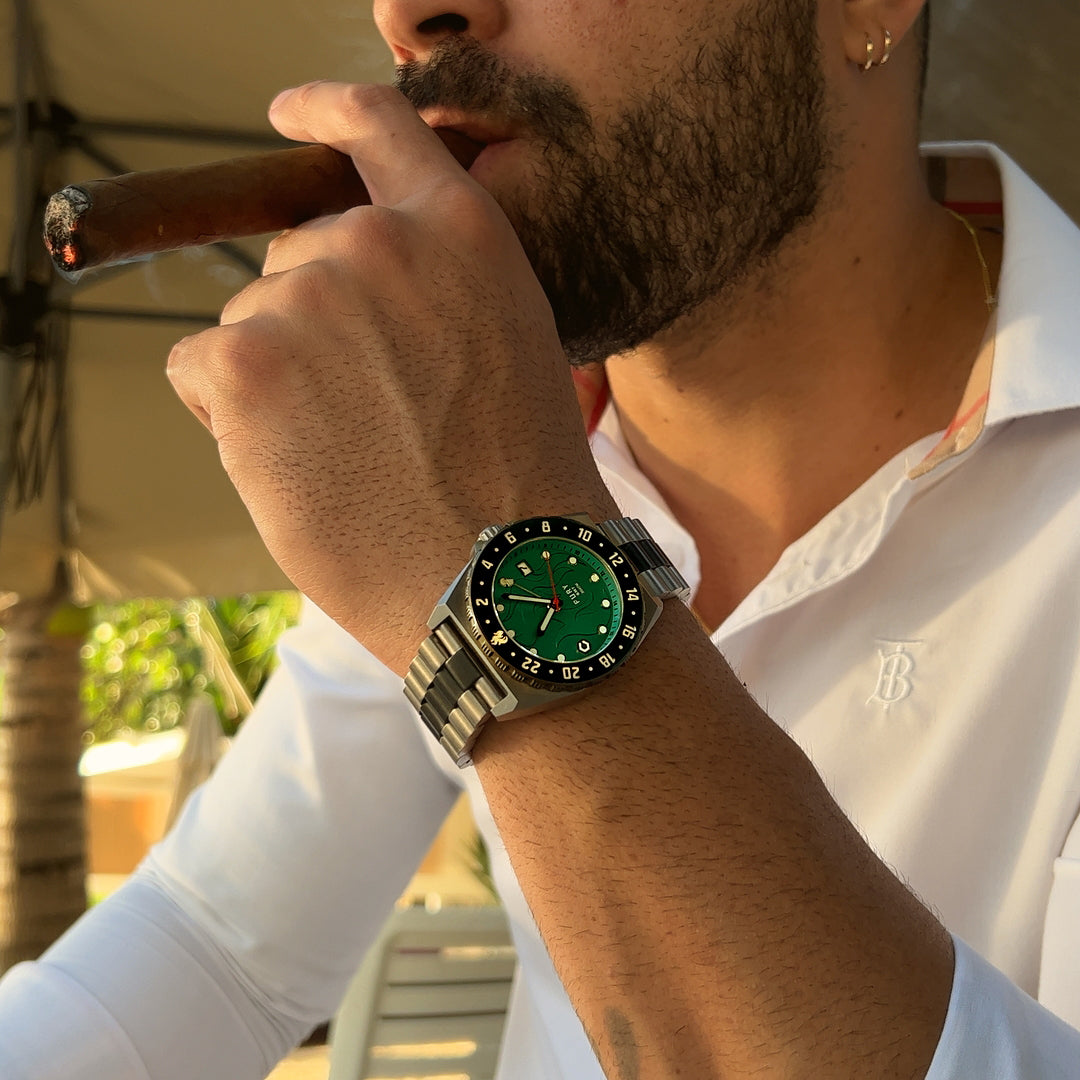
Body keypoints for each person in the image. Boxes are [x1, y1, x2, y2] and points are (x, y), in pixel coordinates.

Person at [2, 0, 1080, 1075]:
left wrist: (519, 538)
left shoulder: (477, 448)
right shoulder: (482, 417)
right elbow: (219, 943)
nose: (407, 12)